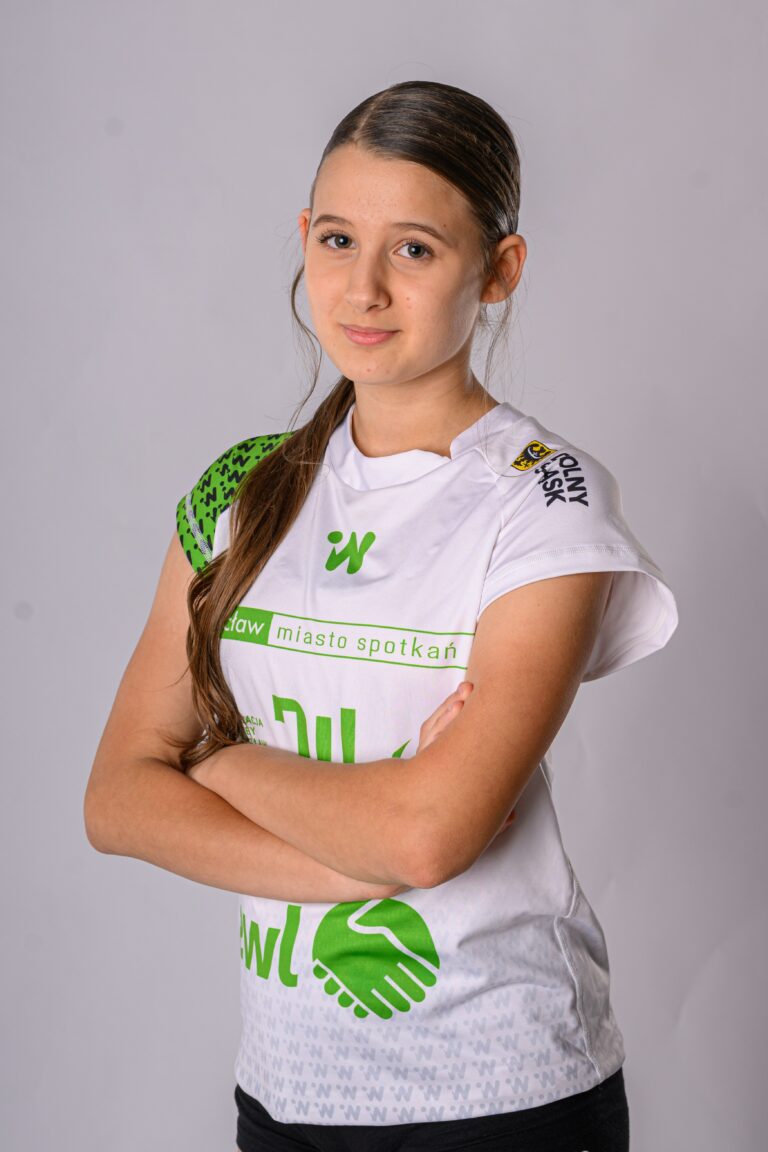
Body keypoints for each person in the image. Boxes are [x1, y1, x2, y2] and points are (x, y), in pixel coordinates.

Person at [85, 80, 678, 1152]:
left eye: (414, 249)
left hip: (500, 1089)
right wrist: (359, 863)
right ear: (303, 238)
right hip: (289, 1087)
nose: (362, 288)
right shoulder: (240, 490)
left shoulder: (546, 498)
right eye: (336, 239)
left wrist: (214, 758)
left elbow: (428, 832)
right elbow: (117, 801)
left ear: (499, 270)